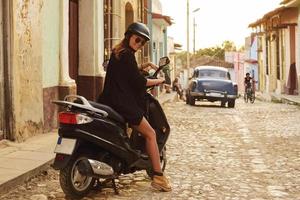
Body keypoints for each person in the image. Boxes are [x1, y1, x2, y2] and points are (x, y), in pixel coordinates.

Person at [98, 22, 171, 192]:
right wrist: (160, 80)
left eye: (143, 43)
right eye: (138, 39)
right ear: (129, 35)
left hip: (108, 100)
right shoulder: (127, 55)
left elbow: (126, 72)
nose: (139, 44)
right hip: (123, 104)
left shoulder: (118, 52)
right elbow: (140, 82)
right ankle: (159, 177)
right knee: (151, 134)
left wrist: (143, 66)